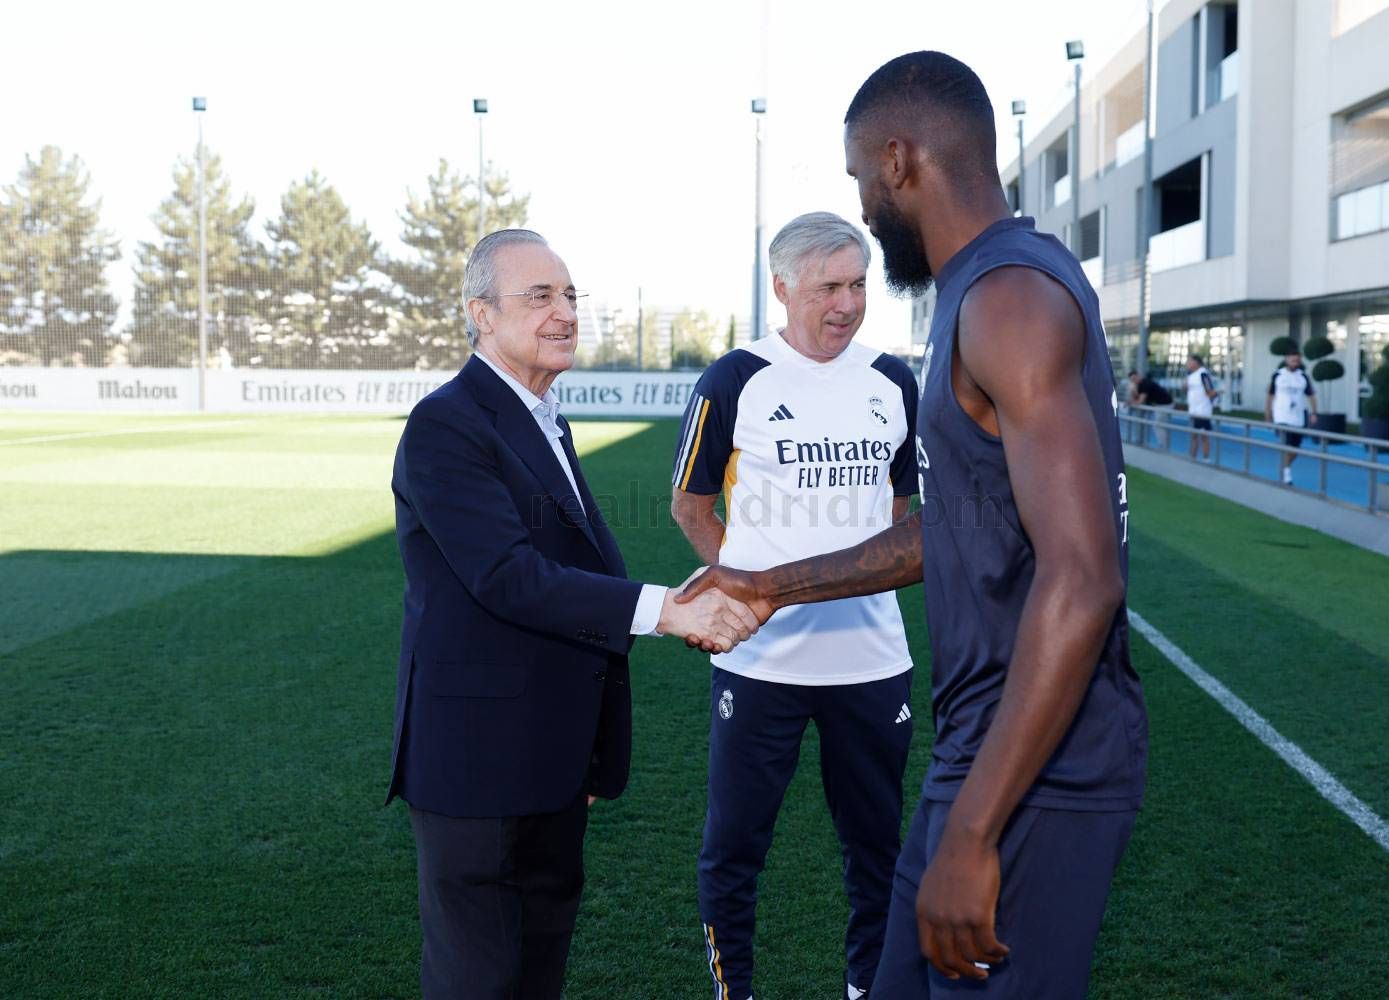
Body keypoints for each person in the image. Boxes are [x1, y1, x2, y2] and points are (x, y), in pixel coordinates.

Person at [682, 51, 1146, 999]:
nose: (863, 204)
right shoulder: (973, 297)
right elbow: (958, 527)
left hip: (1043, 762)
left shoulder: (1009, 297)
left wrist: (975, 831)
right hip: (982, 745)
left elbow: (1084, 577)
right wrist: (770, 584)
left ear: (898, 161)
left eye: (860, 180)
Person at [388, 229, 759, 1000]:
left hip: (549, 763)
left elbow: (579, 570)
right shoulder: (446, 425)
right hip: (476, 771)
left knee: (536, 975)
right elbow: (507, 577)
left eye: (569, 296)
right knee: (478, 982)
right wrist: (671, 611)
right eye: (539, 297)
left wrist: (589, 751)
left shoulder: (542, 415)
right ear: (480, 314)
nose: (564, 313)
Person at [670, 211, 920, 1000]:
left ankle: (865, 989)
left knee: (877, 850)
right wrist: (742, 595)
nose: (845, 304)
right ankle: (732, 990)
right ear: (782, 288)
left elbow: (906, 515)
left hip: (873, 660)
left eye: (856, 285)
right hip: (761, 663)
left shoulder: (894, 378)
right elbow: (689, 505)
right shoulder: (736, 378)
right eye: (826, 288)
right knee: (734, 848)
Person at [1266, 348, 1317, 485]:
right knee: (1286, 445)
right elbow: (1270, 395)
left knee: (1295, 449)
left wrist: (1314, 412)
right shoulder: (1278, 375)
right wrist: (1268, 413)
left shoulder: (1303, 376)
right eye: (1292, 359)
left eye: (1297, 360)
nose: (1295, 362)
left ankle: (1285, 467)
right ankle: (1286, 473)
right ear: (1286, 360)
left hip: (1298, 417)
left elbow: (1311, 395)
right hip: (1282, 416)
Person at [1184, 354, 1219, 460]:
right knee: (1193, 435)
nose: (1187, 364)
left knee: (1203, 436)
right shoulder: (1191, 375)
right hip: (1193, 410)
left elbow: (1210, 391)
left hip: (1202, 411)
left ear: (1195, 362)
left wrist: (1218, 393)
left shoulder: (1203, 374)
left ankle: (1205, 458)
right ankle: (1192, 457)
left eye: (1189, 361)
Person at [1127, 369, 1172, 447]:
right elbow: (1136, 398)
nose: (1134, 381)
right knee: (1159, 425)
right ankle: (1163, 445)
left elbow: (1140, 401)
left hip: (1165, 404)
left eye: (1134, 379)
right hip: (1159, 405)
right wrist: (1133, 389)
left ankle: (1164, 447)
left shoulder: (1145, 383)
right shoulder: (1139, 384)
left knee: (1158, 425)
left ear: (1138, 376)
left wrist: (1130, 403)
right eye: (1132, 380)